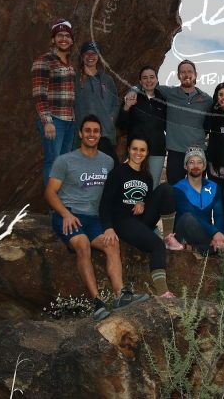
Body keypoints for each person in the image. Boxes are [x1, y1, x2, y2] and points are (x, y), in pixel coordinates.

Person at [45, 114, 149, 321]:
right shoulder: (65, 160)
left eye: (95, 131)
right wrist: (65, 214)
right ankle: (97, 302)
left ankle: (120, 296)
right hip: (70, 214)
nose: (91, 134)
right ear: (80, 134)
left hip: (94, 219)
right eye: (88, 131)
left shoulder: (107, 161)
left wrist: (142, 201)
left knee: (112, 243)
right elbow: (49, 193)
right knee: (83, 244)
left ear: (100, 135)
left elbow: (119, 189)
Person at [100, 136, 183, 298]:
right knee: (157, 245)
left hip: (142, 220)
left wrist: (143, 203)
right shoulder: (117, 173)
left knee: (167, 189)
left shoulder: (147, 176)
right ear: (129, 150)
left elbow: (149, 199)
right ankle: (163, 292)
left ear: (147, 152)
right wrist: (108, 227)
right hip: (123, 221)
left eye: (142, 150)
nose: (138, 153)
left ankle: (168, 236)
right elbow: (104, 203)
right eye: (135, 149)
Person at [173, 146, 224, 255]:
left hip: (207, 233)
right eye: (191, 162)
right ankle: (220, 247)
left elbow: (219, 216)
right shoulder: (178, 188)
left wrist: (218, 233)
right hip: (187, 231)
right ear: (185, 166)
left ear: (204, 166)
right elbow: (189, 214)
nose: (195, 166)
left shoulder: (214, 187)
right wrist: (215, 233)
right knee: (188, 218)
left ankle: (205, 248)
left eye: (199, 162)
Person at [32, 19, 76, 185]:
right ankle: (52, 200)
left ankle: (61, 199)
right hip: (54, 120)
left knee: (64, 164)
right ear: (53, 39)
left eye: (67, 36)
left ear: (71, 41)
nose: (64, 39)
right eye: (60, 35)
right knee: (53, 162)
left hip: (70, 120)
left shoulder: (70, 64)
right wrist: (47, 121)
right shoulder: (44, 61)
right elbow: (39, 93)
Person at [155, 60, 212, 185]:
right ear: (178, 76)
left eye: (190, 71)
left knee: (197, 190)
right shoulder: (169, 93)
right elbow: (147, 84)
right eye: (183, 72)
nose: (186, 74)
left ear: (195, 75)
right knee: (175, 189)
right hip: (175, 152)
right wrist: (133, 90)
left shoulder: (207, 99)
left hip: (198, 152)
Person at [117, 65, 167, 189]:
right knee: (134, 185)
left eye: (151, 77)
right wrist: (127, 107)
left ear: (157, 79)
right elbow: (121, 125)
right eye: (145, 78)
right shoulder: (132, 97)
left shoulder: (163, 100)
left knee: (153, 185)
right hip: (137, 150)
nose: (148, 81)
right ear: (140, 81)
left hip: (157, 151)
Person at [74, 40, 119, 160]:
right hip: (83, 136)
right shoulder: (75, 80)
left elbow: (115, 104)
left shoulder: (107, 79)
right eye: (87, 53)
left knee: (111, 167)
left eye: (94, 53)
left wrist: (111, 119)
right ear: (82, 56)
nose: (90, 56)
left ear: (98, 56)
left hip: (105, 134)